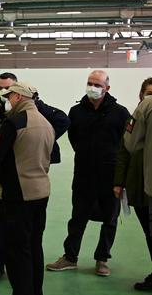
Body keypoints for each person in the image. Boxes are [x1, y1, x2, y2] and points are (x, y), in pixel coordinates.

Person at [0, 73, 69, 280]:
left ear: (19, 94)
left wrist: (35, 144)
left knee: (23, 240)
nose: (3, 95)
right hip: (1, 175)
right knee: (0, 219)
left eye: (8, 91)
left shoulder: (34, 114)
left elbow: (61, 121)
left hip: (21, 181)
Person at [0, 82, 54, 295]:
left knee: (17, 253)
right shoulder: (46, 123)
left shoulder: (14, 123)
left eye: (7, 96)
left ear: (17, 96)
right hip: (40, 193)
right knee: (34, 249)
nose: (5, 101)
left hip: (18, 196)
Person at [47, 70, 130, 277]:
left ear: (107, 88)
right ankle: (70, 257)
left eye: (97, 84)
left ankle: (102, 259)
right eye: (90, 83)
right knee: (78, 217)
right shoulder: (76, 112)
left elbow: (125, 144)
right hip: (84, 174)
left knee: (110, 218)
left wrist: (120, 175)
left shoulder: (120, 113)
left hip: (110, 176)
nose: (93, 87)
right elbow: (74, 139)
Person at [115, 78, 152, 290]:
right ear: (141, 95)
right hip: (138, 185)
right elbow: (123, 151)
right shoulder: (134, 118)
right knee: (148, 233)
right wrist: (119, 182)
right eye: (148, 94)